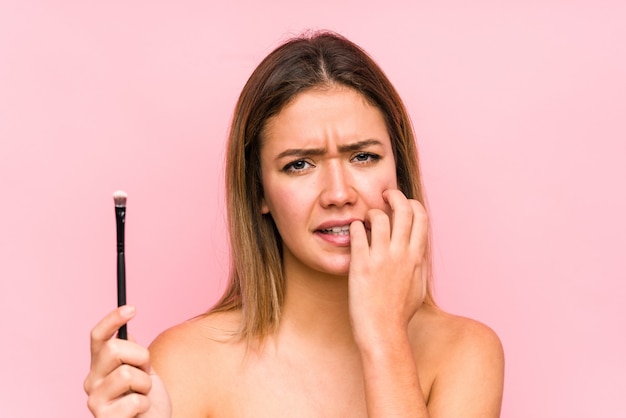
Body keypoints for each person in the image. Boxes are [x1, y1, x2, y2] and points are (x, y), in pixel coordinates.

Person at [84, 30, 505, 417]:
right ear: (260, 191)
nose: (338, 193)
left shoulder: (464, 354)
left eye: (364, 157)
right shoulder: (187, 362)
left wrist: (385, 338)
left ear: (399, 171)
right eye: (299, 164)